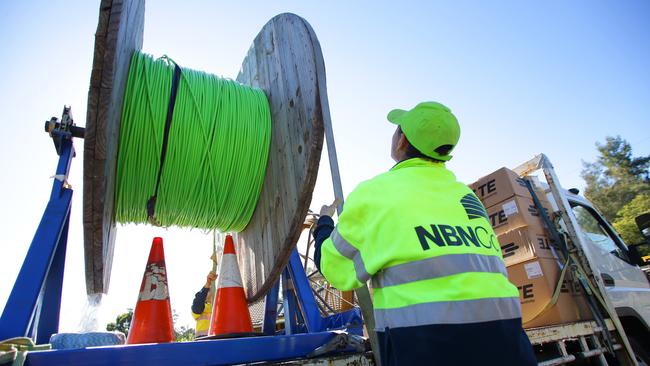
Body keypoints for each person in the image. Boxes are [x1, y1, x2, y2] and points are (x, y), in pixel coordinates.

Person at [313, 101, 536, 365]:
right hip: (509, 344)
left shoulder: (376, 193)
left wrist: (324, 224)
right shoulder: (466, 196)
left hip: (428, 347)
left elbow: (334, 270)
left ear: (402, 141)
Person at [191, 271, 217, 338]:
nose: (209, 291)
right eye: (208, 291)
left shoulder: (217, 307)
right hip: (202, 339)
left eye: (209, 290)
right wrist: (208, 284)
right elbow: (198, 301)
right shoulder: (200, 306)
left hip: (217, 339)